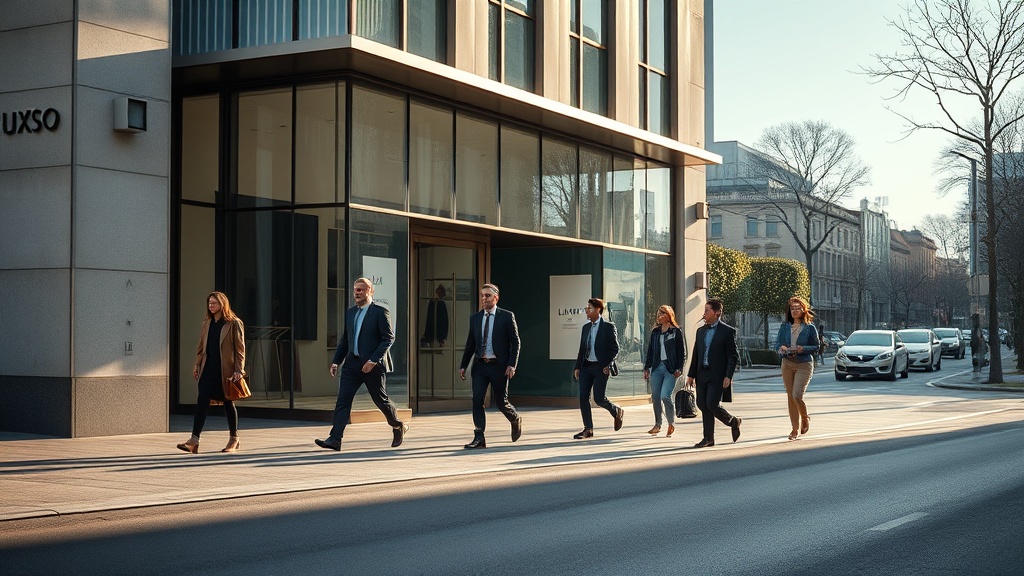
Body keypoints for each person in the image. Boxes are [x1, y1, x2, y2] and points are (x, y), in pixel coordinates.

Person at [315, 277, 408, 452]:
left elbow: (388, 338)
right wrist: (336, 361)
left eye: (360, 290)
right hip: (352, 365)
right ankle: (335, 439)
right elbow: (345, 341)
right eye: (355, 290)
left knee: (381, 401)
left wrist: (372, 361)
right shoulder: (351, 313)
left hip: (372, 366)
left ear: (370, 291)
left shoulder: (380, 312)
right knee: (343, 401)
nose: (356, 293)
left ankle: (397, 425)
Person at [177, 291, 246, 454]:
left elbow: (240, 349)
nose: (211, 306)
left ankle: (234, 438)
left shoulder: (234, 323)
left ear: (223, 305)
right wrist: (197, 364)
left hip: (226, 369)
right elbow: (201, 346)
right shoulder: (207, 322)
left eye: (214, 303)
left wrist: (239, 369)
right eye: (209, 303)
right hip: (208, 367)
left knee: (228, 402)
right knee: (202, 400)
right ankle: (194, 440)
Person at [458, 283, 523, 449]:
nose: (483, 299)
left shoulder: (507, 316)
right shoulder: (475, 318)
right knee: (477, 399)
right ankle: (479, 436)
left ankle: (515, 419)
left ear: (496, 298)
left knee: (501, 402)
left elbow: (515, 343)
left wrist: (511, 365)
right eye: (482, 295)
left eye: (487, 295)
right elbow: (470, 344)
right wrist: (463, 365)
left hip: (499, 366)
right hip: (480, 365)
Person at [685, 298, 741, 448]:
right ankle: (709, 438)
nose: (704, 314)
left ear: (717, 313)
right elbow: (696, 353)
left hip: (717, 375)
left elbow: (733, 356)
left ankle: (732, 421)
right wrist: (691, 374)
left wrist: (728, 375)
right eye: (704, 311)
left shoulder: (727, 331)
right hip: (701, 373)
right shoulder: (701, 331)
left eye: (707, 311)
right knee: (702, 404)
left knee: (711, 403)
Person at [572, 298, 624, 439]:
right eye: (586, 308)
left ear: (597, 310)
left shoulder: (608, 327)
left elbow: (615, 349)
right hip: (586, 367)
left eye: (589, 308)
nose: (586, 311)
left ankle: (616, 411)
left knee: (599, 399)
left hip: (601, 368)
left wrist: (608, 364)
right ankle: (588, 429)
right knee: (583, 397)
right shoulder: (586, 328)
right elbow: (582, 349)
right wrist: (577, 367)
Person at [775, 296, 819, 441]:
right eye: (792, 308)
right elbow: (776, 345)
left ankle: (805, 417)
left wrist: (803, 348)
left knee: (797, 395)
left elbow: (817, 347)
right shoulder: (784, 326)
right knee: (790, 397)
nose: (794, 311)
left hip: (803, 364)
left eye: (797, 308)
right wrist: (781, 348)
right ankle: (794, 428)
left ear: (803, 310)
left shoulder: (809, 327)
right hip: (787, 363)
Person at [642, 305, 687, 437]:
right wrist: (646, 368)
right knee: (655, 397)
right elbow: (650, 351)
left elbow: (682, 353)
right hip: (656, 368)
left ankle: (671, 423)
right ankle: (658, 424)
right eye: (658, 313)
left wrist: (680, 368)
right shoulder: (655, 332)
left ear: (668, 315)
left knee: (665, 396)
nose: (658, 316)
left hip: (670, 369)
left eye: (661, 314)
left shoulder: (676, 332)